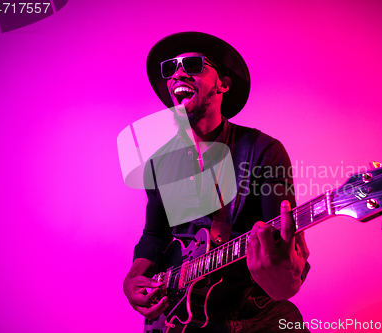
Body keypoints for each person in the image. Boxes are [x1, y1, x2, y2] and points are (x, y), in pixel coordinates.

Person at [123, 32, 310, 332]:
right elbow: (155, 236)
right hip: (180, 321)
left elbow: (283, 241)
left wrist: (287, 270)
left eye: (193, 64)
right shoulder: (158, 165)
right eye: (170, 68)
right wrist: (133, 278)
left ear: (222, 84)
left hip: (252, 316)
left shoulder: (263, 151)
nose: (178, 73)